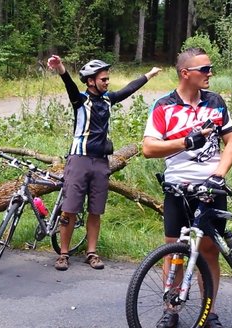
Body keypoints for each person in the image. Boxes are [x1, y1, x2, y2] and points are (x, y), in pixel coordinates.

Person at [142, 47, 232, 328]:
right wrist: (186, 141)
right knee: (174, 250)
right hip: (177, 189)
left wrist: (218, 175)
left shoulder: (216, 102)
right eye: (204, 69)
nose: (210, 74)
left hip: (211, 188)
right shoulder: (163, 105)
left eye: (210, 68)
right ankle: (170, 309)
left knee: (208, 251)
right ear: (186, 74)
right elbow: (148, 148)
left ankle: (209, 312)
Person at [47, 55, 161, 271]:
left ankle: (91, 252)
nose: (107, 83)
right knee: (69, 210)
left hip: (101, 163)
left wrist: (149, 75)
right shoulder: (80, 101)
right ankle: (63, 254)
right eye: (104, 80)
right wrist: (60, 67)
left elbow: (129, 89)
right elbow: (69, 85)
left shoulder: (109, 99)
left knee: (95, 210)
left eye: (108, 79)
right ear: (91, 81)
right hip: (79, 160)